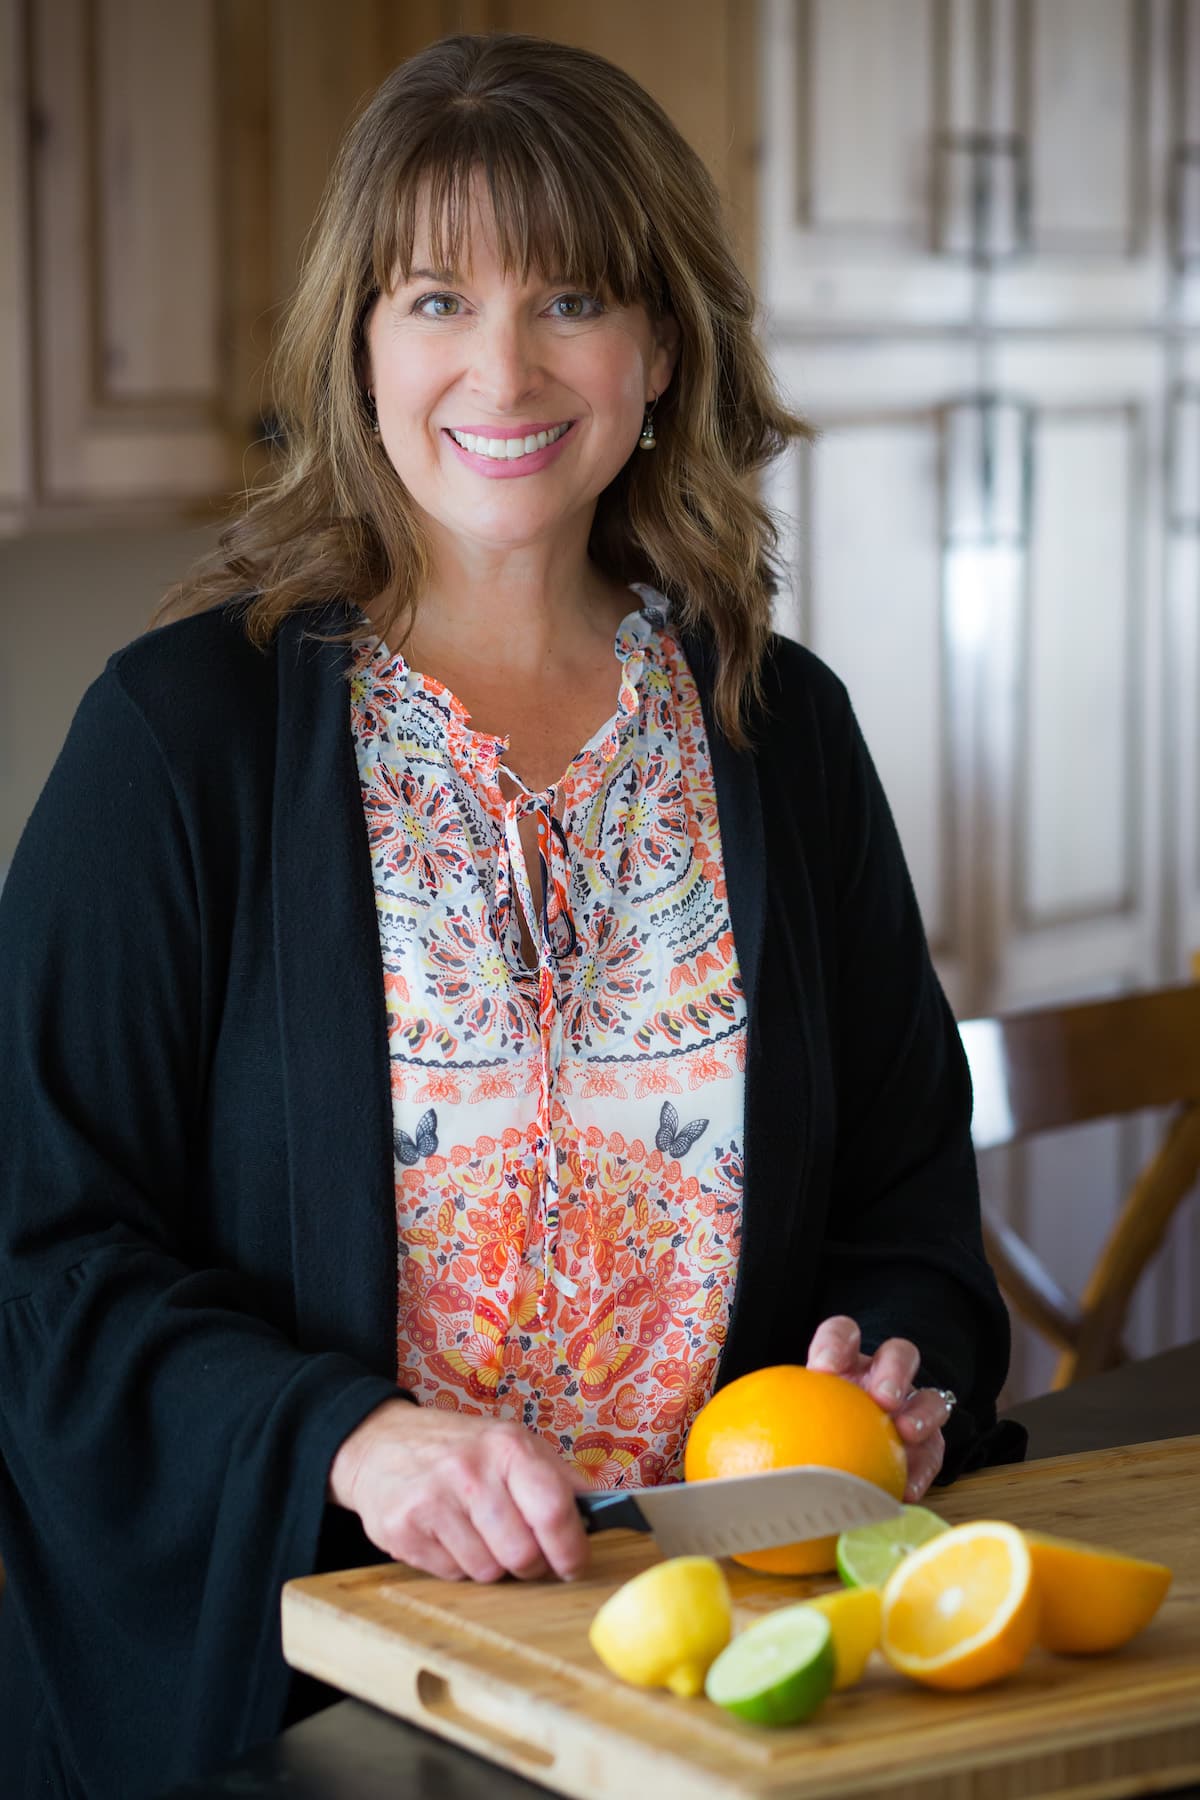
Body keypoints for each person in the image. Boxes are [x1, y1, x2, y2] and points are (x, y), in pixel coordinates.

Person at [0, 31, 1025, 1799]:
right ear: (359, 346)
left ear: (660, 350)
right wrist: (348, 1438)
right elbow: (37, 1260)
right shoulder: (177, 743)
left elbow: (909, 1198)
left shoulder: (782, 731)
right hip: (324, 1689)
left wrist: (895, 1369)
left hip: (728, 1670)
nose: (503, 365)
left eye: (571, 295)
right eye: (432, 299)